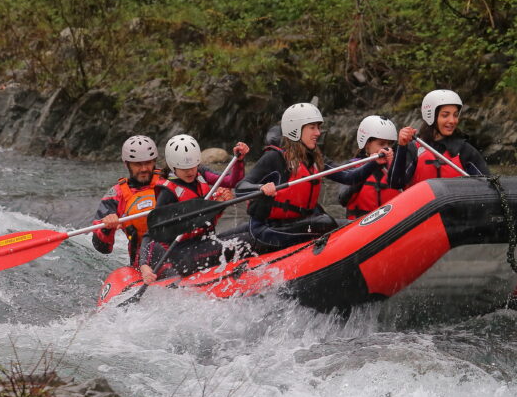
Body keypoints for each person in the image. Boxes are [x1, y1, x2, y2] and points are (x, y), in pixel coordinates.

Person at [233, 102, 391, 251]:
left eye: (318, 128)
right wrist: (260, 188)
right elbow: (240, 187)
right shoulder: (275, 158)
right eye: (312, 127)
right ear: (296, 129)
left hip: (296, 223)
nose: (318, 133)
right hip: (269, 230)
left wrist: (375, 163)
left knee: (334, 223)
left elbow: (350, 178)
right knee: (323, 223)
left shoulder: (315, 158)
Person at [136, 134, 250, 284]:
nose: (190, 172)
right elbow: (150, 234)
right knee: (247, 240)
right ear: (173, 166)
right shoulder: (168, 193)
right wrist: (144, 266)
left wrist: (239, 161)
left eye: (192, 166)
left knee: (251, 229)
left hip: (205, 241)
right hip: (182, 255)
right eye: (184, 168)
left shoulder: (200, 173)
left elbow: (231, 181)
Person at [92, 135, 169, 266]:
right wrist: (107, 229)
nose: (144, 168)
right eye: (138, 164)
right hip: (144, 263)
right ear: (127, 164)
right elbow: (102, 248)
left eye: (148, 162)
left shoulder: (170, 181)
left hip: (178, 251)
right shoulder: (116, 196)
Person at [389, 89, 489, 188]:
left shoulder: (464, 150)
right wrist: (402, 147)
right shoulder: (414, 148)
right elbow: (396, 183)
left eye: (455, 115)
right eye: (445, 115)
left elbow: (488, 185)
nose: (452, 121)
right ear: (431, 116)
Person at [338, 115, 400, 220]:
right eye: (381, 144)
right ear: (367, 144)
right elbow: (343, 199)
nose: (387, 148)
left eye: (389, 144)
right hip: (361, 228)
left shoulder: (395, 168)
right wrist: (367, 170)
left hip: (390, 226)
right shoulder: (352, 167)